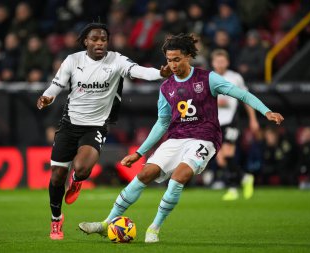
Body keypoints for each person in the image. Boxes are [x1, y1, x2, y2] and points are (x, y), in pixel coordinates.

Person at [78, 34, 284, 243]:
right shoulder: (166, 88)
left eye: (177, 59)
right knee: (145, 174)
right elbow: (162, 123)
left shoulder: (207, 78)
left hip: (204, 138)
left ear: (188, 57)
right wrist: (140, 152)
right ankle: (106, 224)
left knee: (179, 176)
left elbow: (242, 94)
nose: (173, 64)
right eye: (169, 60)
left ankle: (154, 228)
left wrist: (266, 111)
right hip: (176, 139)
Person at [36, 22, 171, 240]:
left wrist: (159, 73)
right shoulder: (73, 60)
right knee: (57, 176)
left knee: (81, 168)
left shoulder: (116, 60)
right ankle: (56, 219)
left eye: (103, 39)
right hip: (69, 124)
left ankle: (78, 180)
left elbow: (138, 71)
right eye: (95, 39)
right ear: (86, 41)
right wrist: (47, 96)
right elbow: (57, 84)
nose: (100, 43)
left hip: (96, 125)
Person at [211, 49, 259, 201]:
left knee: (227, 153)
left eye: (222, 61)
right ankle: (245, 177)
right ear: (213, 63)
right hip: (215, 122)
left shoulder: (235, 77)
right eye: (217, 61)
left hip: (231, 120)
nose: (220, 64)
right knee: (220, 159)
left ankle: (232, 188)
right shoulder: (208, 77)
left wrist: (253, 119)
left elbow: (246, 98)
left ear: (227, 62)